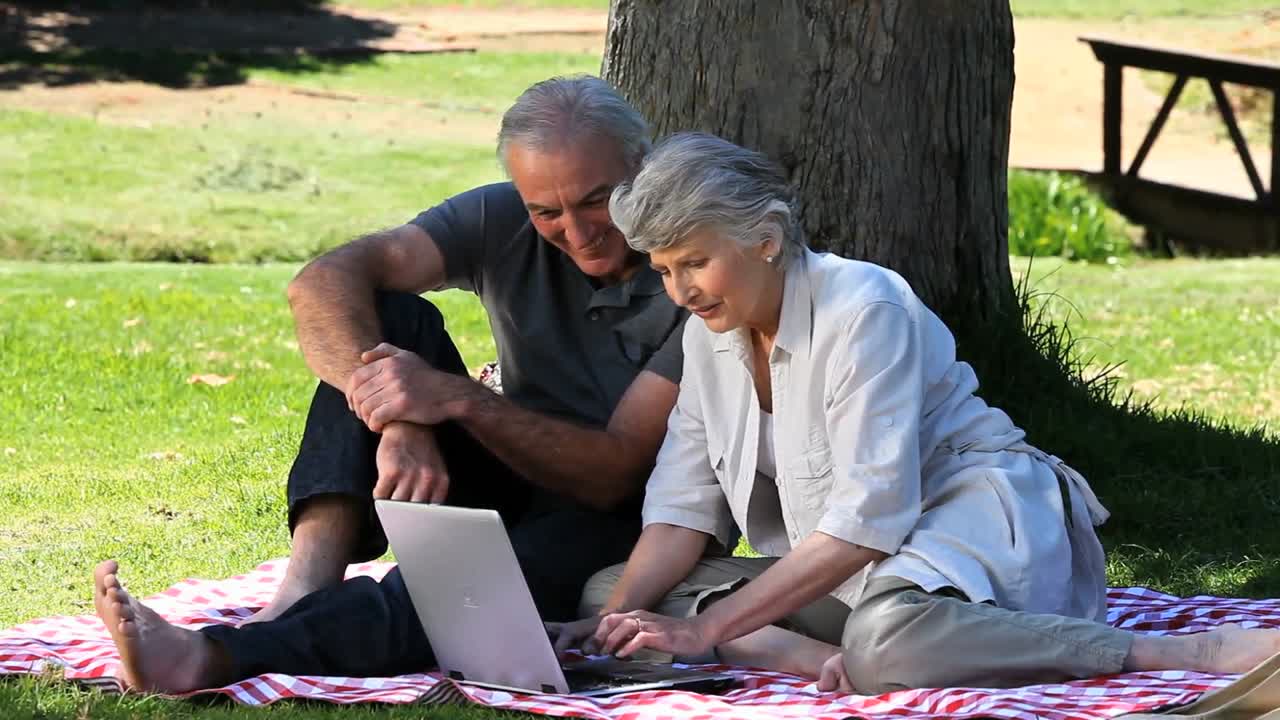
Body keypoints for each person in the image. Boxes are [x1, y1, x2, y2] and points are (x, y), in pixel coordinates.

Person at [550, 132, 1280, 694]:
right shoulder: (711, 339)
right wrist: (604, 625)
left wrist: (706, 628)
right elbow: (682, 508)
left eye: (693, 263)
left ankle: (1167, 652)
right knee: (613, 593)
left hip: (970, 534)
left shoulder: (865, 306)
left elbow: (870, 521)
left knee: (889, 638)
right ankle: (824, 659)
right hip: (846, 579)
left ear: (765, 240)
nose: (680, 291)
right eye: (664, 269)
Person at [91, 75, 688, 693]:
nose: (578, 230)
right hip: (511, 469)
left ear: (641, 168)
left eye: (597, 200)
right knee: (391, 322)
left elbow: (616, 473)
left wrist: (453, 397)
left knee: (452, 591)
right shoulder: (497, 216)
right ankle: (300, 593)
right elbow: (322, 282)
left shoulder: (692, 270)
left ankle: (214, 658)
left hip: (631, 518)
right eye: (546, 211)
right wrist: (400, 417)